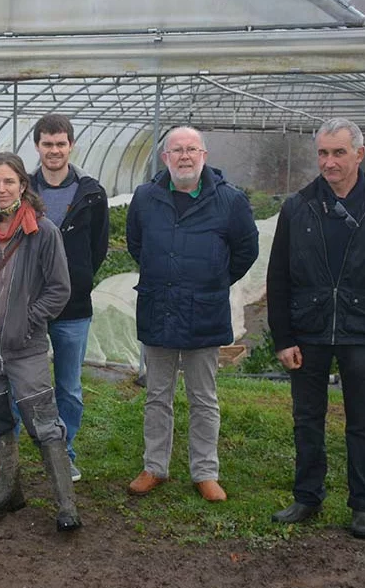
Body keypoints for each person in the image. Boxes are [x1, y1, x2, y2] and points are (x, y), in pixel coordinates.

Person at [266, 117, 365, 539]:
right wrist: (284, 337)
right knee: (307, 417)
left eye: (338, 153)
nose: (329, 162)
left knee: (363, 423)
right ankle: (307, 497)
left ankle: (364, 506)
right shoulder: (297, 206)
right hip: (309, 329)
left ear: (359, 154)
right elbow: (277, 276)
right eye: (323, 153)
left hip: (363, 331)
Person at [0, 114, 109, 493]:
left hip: (71, 308)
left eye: (61, 143)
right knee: (8, 388)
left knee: (68, 387)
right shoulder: (21, 192)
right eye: (48, 143)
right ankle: (2, 464)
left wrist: (71, 284)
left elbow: (98, 249)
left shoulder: (89, 192)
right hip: (16, 314)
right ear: (38, 147)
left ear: (70, 146)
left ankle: (65, 454)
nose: (55, 150)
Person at [125, 126, 258, 502]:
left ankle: (205, 472)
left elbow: (246, 250)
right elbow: (137, 243)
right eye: (176, 150)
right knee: (157, 394)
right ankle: (155, 467)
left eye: (191, 149)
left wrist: (215, 279)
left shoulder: (230, 201)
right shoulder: (146, 197)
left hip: (204, 310)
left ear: (204, 155)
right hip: (159, 306)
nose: (184, 156)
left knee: (203, 396)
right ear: (164, 158)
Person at [0, 151, 81, 532]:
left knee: (44, 423)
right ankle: (9, 491)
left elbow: (59, 289)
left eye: (9, 181)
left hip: (24, 346)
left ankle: (66, 506)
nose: (2, 188)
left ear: (23, 186)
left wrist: (28, 320)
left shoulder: (42, 232)